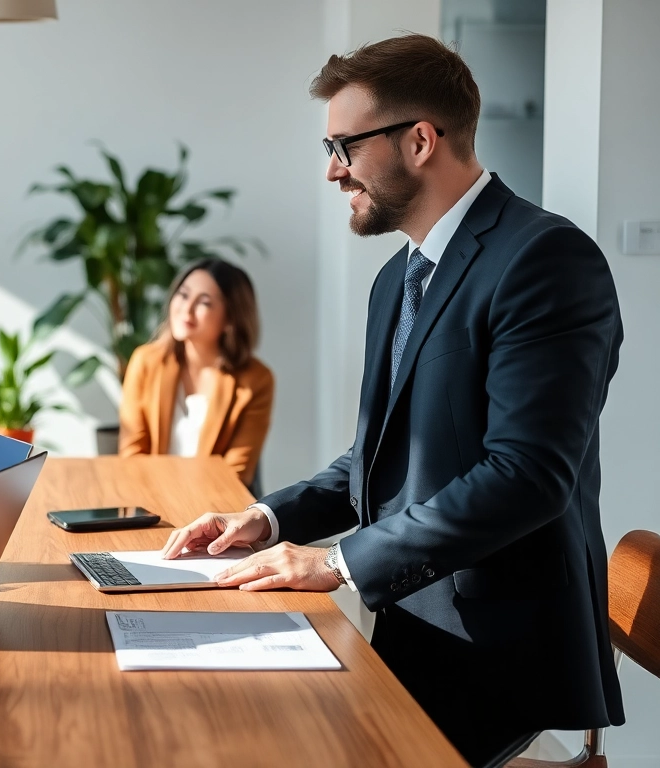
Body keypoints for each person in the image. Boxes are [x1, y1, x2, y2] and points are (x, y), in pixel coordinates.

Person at [161, 35, 624, 766]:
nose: (332, 169)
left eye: (344, 146)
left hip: (498, 653)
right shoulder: (397, 279)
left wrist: (337, 563)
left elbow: (527, 476)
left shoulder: (545, 259)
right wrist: (268, 519)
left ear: (419, 141)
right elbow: (378, 457)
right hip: (412, 632)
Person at [119, 258, 274, 486]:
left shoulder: (256, 380)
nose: (187, 309)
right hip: (150, 498)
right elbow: (132, 456)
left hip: (219, 503)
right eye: (183, 295)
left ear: (231, 318)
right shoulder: (146, 362)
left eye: (204, 303)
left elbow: (236, 474)